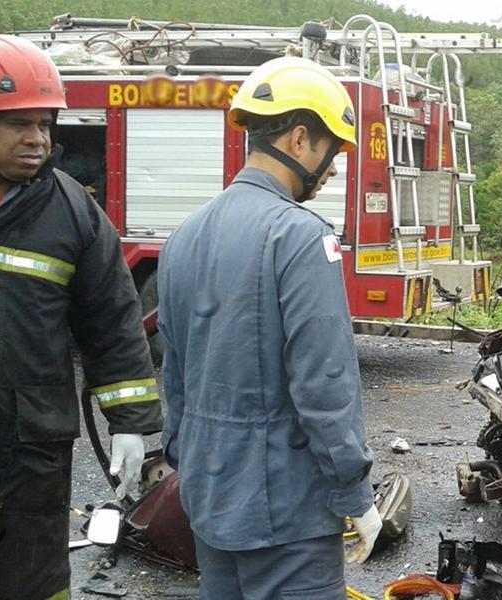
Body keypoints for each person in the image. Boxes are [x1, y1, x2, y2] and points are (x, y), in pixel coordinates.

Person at [157, 57, 381, 599]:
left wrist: (189, 463)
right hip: (288, 518)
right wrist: (357, 494)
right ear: (301, 138)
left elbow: (176, 378)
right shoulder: (301, 237)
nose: (332, 171)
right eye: (333, 151)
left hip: (211, 503)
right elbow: (324, 386)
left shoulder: (183, 236)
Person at [0, 35, 161, 599]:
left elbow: (111, 319)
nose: (38, 139)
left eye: (45, 124)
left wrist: (131, 422)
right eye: (19, 124)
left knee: (31, 582)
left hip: (27, 448)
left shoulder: (71, 210)